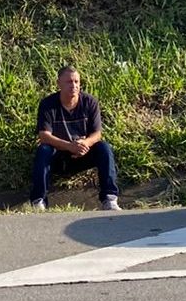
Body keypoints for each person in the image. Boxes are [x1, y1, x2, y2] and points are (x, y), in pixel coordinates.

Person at [30, 65, 121, 211]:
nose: (74, 86)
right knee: (44, 149)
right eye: (69, 82)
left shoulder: (90, 102)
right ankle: (38, 201)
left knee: (104, 147)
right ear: (59, 84)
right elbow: (44, 135)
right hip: (58, 156)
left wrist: (85, 143)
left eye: (77, 82)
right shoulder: (48, 104)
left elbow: (97, 134)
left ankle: (110, 199)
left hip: (82, 154)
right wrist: (69, 145)